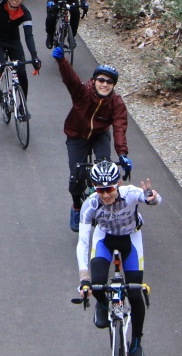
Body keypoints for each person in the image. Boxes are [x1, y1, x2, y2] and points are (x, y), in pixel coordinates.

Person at [76, 159, 161, 356]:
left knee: (134, 293)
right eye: (100, 190)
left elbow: (151, 198)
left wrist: (152, 197)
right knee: (96, 284)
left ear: (119, 184)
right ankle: (104, 304)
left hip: (130, 239)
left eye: (110, 189)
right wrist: (84, 279)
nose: (105, 195)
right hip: (104, 238)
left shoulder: (130, 193)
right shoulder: (91, 204)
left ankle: (136, 344)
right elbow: (83, 242)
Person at [52, 47, 130, 231]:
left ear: (113, 85)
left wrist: (123, 154)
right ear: (94, 81)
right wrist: (62, 61)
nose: (104, 84)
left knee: (105, 171)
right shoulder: (83, 92)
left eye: (109, 82)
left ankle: (106, 207)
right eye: (101, 80)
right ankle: (77, 207)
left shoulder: (116, 102)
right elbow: (70, 79)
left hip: (100, 135)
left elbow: (119, 127)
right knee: (76, 177)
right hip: (76, 135)